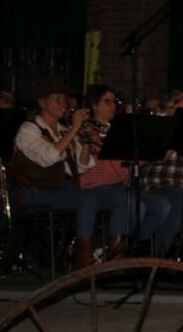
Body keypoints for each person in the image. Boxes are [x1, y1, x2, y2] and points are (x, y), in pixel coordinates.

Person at [11, 77, 130, 269]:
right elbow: (48, 157)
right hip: (36, 191)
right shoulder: (29, 129)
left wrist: (86, 143)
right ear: (42, 102)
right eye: (57, 99)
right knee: (87, 198)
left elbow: (82, 166)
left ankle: (116, 256)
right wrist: (75, 129)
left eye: (64, 99)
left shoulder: (62, 130)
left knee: (121, 197)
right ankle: (83, 258)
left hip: (61, 189)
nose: (64, 104)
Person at [77, 84, 173, 256]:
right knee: (136, 206)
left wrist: (162, 147)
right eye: (107, 102)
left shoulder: (118, 129)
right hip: (95, 188)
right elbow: (92, 154)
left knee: (162, 206)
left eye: (115, 102)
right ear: (94, 105)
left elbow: (139, 158)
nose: (113, 106)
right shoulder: (86, 129)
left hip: (121, 188)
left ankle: (131, 247)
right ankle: (116, 251)